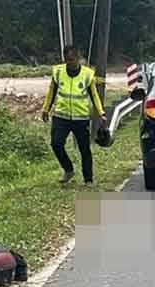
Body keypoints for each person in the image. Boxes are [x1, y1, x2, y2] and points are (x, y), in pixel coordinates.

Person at [41, 45, 107, 185]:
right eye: (67, 60)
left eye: (72, 59)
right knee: (56, 144)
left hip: (81, 118)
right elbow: (51, 92)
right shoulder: (58, 72)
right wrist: (45, 109)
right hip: (61, 116)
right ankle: (68, 170)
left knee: (84, 149)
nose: (69, 63)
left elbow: (94, 95)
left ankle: (88, 179)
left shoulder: (87, 74)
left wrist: (101, 113)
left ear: (78, 58)